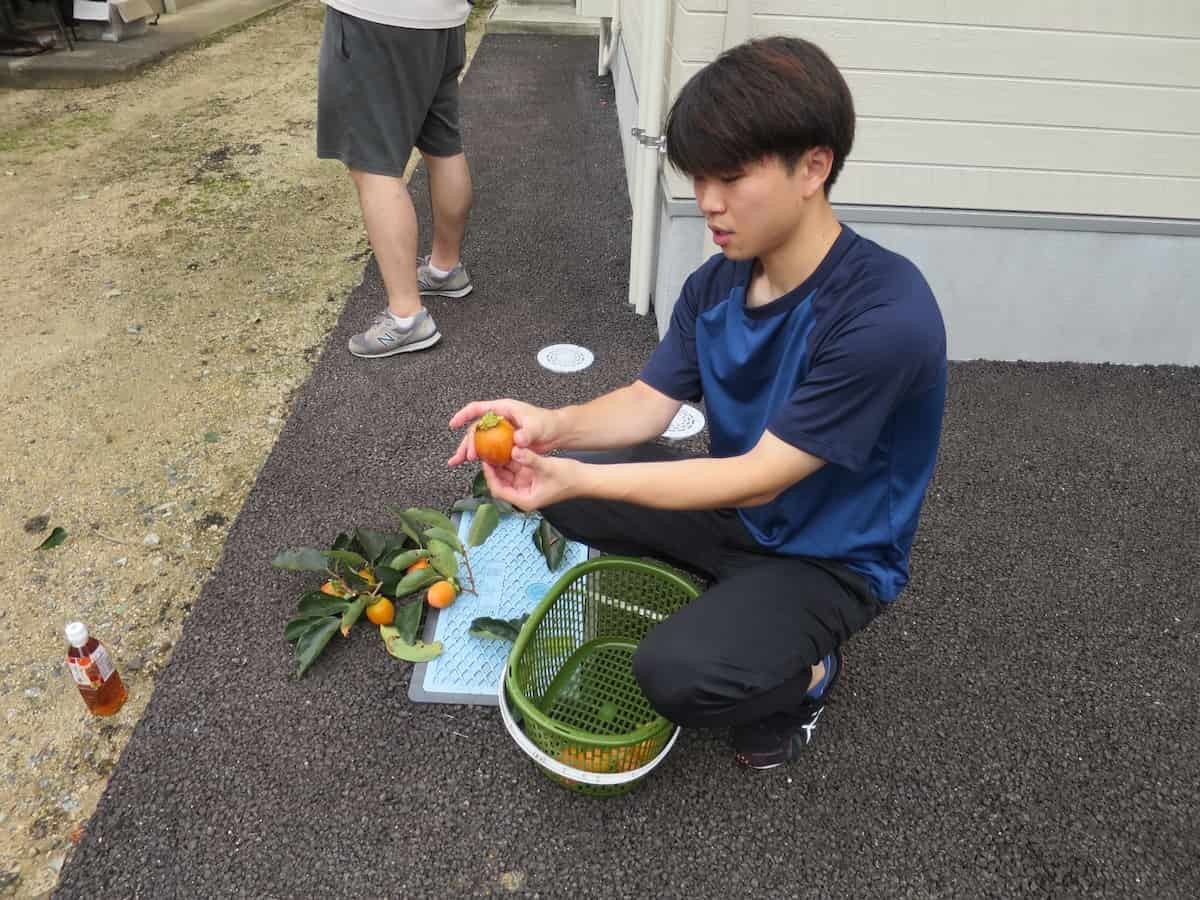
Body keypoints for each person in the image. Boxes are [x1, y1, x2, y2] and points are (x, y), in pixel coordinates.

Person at [448, 36, 947, 770]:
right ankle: (738, 601)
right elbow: (647, 404)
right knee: (556, 474)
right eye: (698, 177)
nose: (706, 202)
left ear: (814, 166)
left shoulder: (883, 313)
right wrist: (552, 427)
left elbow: (765, 473)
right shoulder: (718, 284)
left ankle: (811, 672)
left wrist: (583, 476)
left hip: (830, 557)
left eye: (731, 177)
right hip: (735, 513)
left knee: (672, 675)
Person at [317, 0, 475, 359]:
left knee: (373, 166)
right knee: (443, 145)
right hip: (443, 20)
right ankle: (444, 268)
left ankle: (406, 317)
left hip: (376, 18)